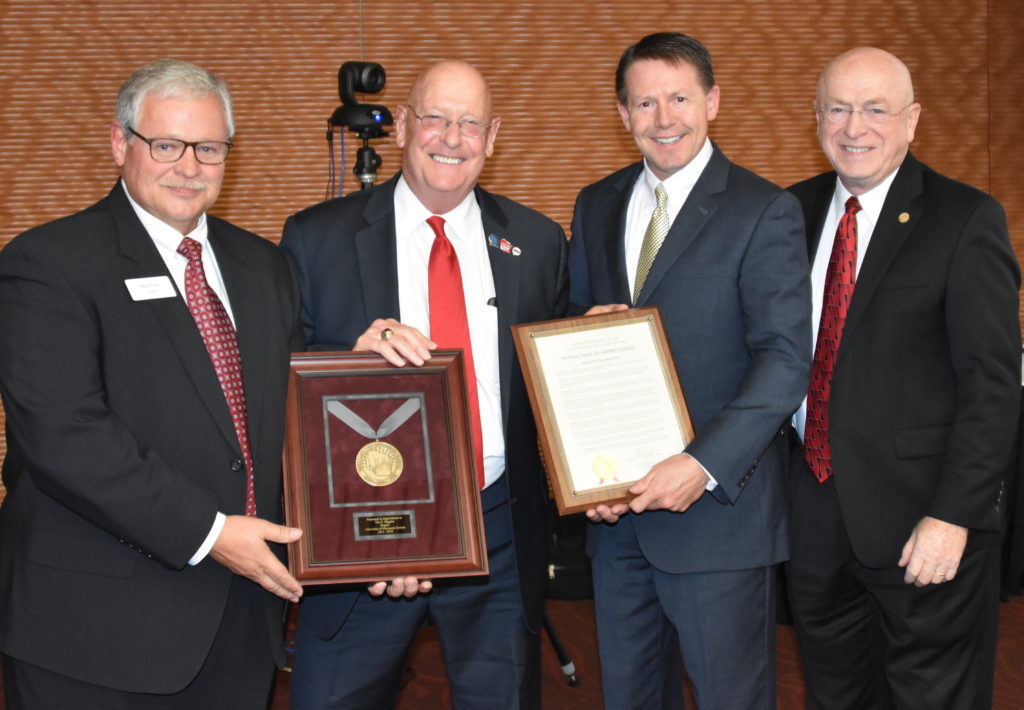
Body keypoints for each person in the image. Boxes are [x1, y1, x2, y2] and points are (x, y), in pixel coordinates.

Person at [0, 59, 305, 709]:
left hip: (241, 619)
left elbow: (295, 412)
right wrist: (213, 532)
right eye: (166, 145)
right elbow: (64, 436)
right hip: (96, 629)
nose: (189, 166)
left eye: (210, 148)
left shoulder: (263, 265)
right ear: (121, 143)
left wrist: (359, 366)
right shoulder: (48, 263)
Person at [280, 59, 568, 710]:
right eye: (435, 117)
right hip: (363, 531)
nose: (451, 137)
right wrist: (348, 362)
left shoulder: (537, 242)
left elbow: (557, 376)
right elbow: (281, 384)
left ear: (492, 138)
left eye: (470, 123)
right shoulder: (315, 239)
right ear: (405, 125)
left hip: (497, 526)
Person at [569, 32, 812, 709]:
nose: (664, 118)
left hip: (719, 523)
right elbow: (571, 336)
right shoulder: (596, 204)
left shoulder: (764, 209)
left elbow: (785, 361)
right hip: (617, 519)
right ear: (623, 115)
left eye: (679, 97)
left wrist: (699, 465)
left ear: (712, 101)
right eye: (645, 102)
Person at [785, 47, 1021, 709]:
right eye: (838, 108)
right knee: (836, 693)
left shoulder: (965, 217)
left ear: (912, 119)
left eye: (875, 109)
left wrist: (954, 514)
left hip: (926, 522)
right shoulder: (789, 213)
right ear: (817, 118)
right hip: (815, 517)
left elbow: (993, 386)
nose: (854, 126)